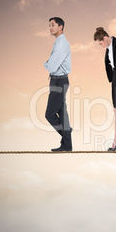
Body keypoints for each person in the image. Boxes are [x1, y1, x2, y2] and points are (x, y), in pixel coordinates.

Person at [44, 17, 72, 152]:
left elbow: (52, 66)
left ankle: (67, 133)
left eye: (53, 25)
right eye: (49, 25)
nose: (50, 28)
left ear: (61, 27)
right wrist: (50, 62)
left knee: (49, 114)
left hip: (59, 81)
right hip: (59, 80)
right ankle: (67, 145)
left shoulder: (61, 44)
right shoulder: (59, 42)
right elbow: (53, 64)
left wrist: (46, 63)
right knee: (62, 113)